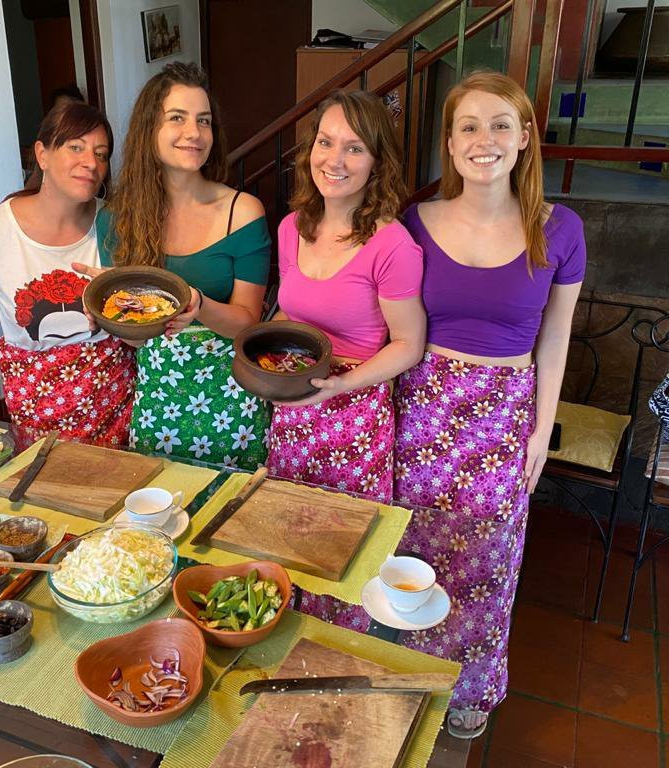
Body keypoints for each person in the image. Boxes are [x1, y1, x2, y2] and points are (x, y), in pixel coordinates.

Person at [395, 71, 585, 737]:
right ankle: (408, 674)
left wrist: (541, 431)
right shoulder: (413, 224)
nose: (485, 139)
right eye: (469, 126)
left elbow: (556, 335)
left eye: (501, 124)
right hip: (421, 406)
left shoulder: (559, 229)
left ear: (526, 136)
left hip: (505, 413)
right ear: (449, 144)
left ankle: (469, 687)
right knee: (412, 546)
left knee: (488, 559)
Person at [77, 62, 271, 468]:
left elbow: (249, 321)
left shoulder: (243, 211)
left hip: (233, 402)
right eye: (177, 118)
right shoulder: (116, 219)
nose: (194, 133)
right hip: (158, 404)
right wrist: (111, 314)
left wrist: (199, 303)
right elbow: (135, 341)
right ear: (150, 129)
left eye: (203, 121)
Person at [0, 101, 135, 451]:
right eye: (76, 147)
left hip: (114, 404)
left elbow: (141, 319)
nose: (91, 163)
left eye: (101, 153)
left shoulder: (115, 225)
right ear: (42, 154)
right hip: (34, 407)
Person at [264, 90, 426, 503]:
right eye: (325, 141)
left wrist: (343, 384)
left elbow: (409, 344)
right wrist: (259, 354)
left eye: (354, 148)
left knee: (346, 547)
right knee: (286, 531)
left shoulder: (392, 245)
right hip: (294, 405)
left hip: (354, 416)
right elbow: (290, 311)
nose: (334, 161)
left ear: (377, 163)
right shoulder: (291, 228)